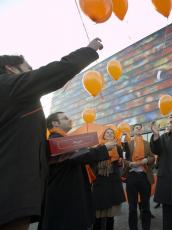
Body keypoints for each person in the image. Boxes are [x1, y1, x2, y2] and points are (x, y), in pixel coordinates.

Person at [0, 38, 103, 229]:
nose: (33, 73)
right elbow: (52, 73)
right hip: (11, 191)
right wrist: (88, 51)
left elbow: (18, 140)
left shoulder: (16, 99)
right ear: (11, 69)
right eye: (28, 69)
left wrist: (48, 155)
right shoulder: (8, 86)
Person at [41, 112, 116, 230]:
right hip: (64, 196)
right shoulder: (56, 140)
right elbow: (79, 157)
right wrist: (104, 148)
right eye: (65, 118)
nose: (70, 119)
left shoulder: (63, 139)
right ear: (55, 123)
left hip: (69, 194)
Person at [92, 126, 126, 230]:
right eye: (108, 132)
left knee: (111, 215)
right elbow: (92, 164)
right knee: (98, 214)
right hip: (100, 182)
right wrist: (100, 166)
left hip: (113, 183)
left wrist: (120, 162)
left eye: (112, 133)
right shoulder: (98, 147)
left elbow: (120, 163)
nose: (110, 134)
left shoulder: (118, 147)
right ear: (103, 135)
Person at [122, 124, 155, 230]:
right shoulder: (128, 144)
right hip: (131, 176)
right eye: (137, 128)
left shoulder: (147, 144)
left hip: (144, 176)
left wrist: (146, 160)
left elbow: (152, 158)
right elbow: (124, 159)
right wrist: (130, 164)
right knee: (132, 207)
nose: (139, 130)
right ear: (133, 131)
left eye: (141, 128)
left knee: (145, 207)